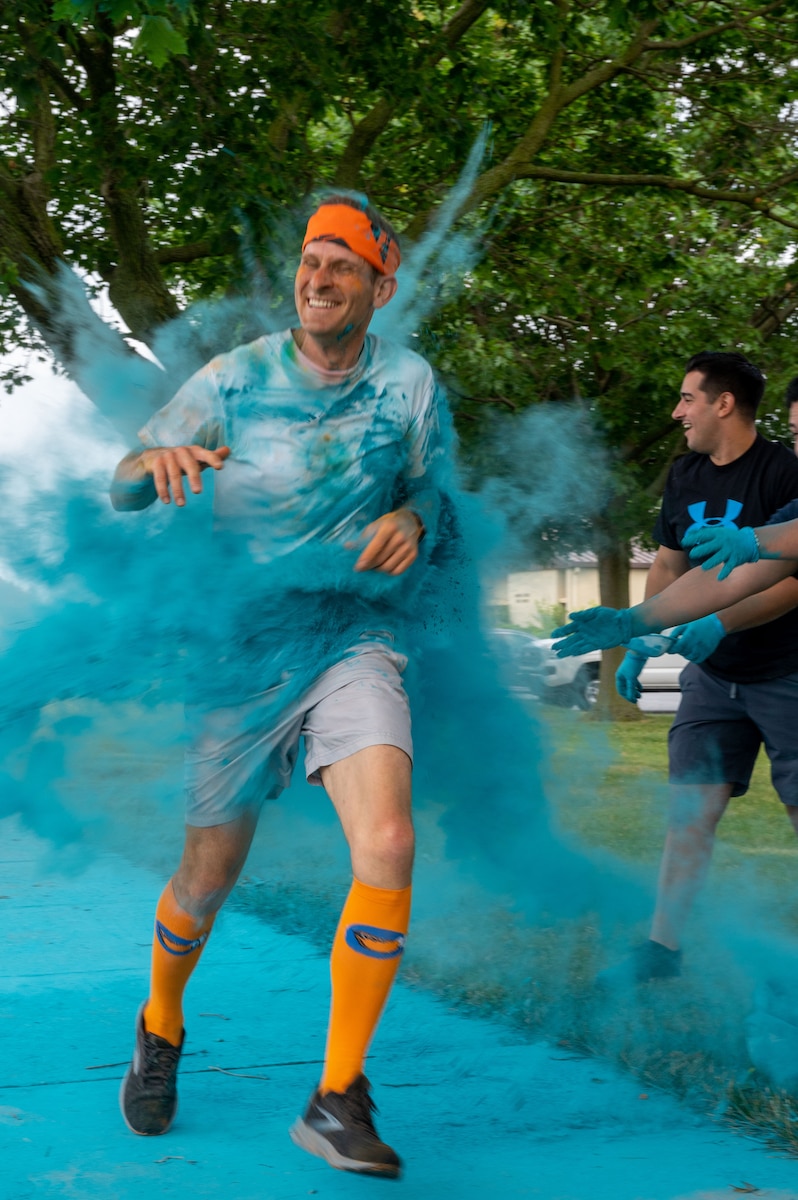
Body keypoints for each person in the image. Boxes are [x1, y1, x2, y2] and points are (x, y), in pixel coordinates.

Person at [110, 194, 451, 1178]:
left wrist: (419, 519)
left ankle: (336, 1095)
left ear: (380, 286)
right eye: (310, 260)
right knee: (206, 879)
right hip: (242, 648)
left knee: (388, 840)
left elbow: (429, 486)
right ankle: (160, 1022)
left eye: (342, 264)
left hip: (354, 635)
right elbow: (122, 482)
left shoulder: (413, 384)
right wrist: (156, 460)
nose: (318, 277)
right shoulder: (234, 378)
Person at [565, 352, 798, 984]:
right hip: (711, 677)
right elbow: (682, 568)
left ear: (724, 403)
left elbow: (787, 583)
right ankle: (662, 949)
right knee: (691, 810)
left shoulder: (782, 472)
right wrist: (639, 635)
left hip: (784, 670)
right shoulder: (686, 473)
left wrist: (721, 621)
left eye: (687, 398)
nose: (677, 412)